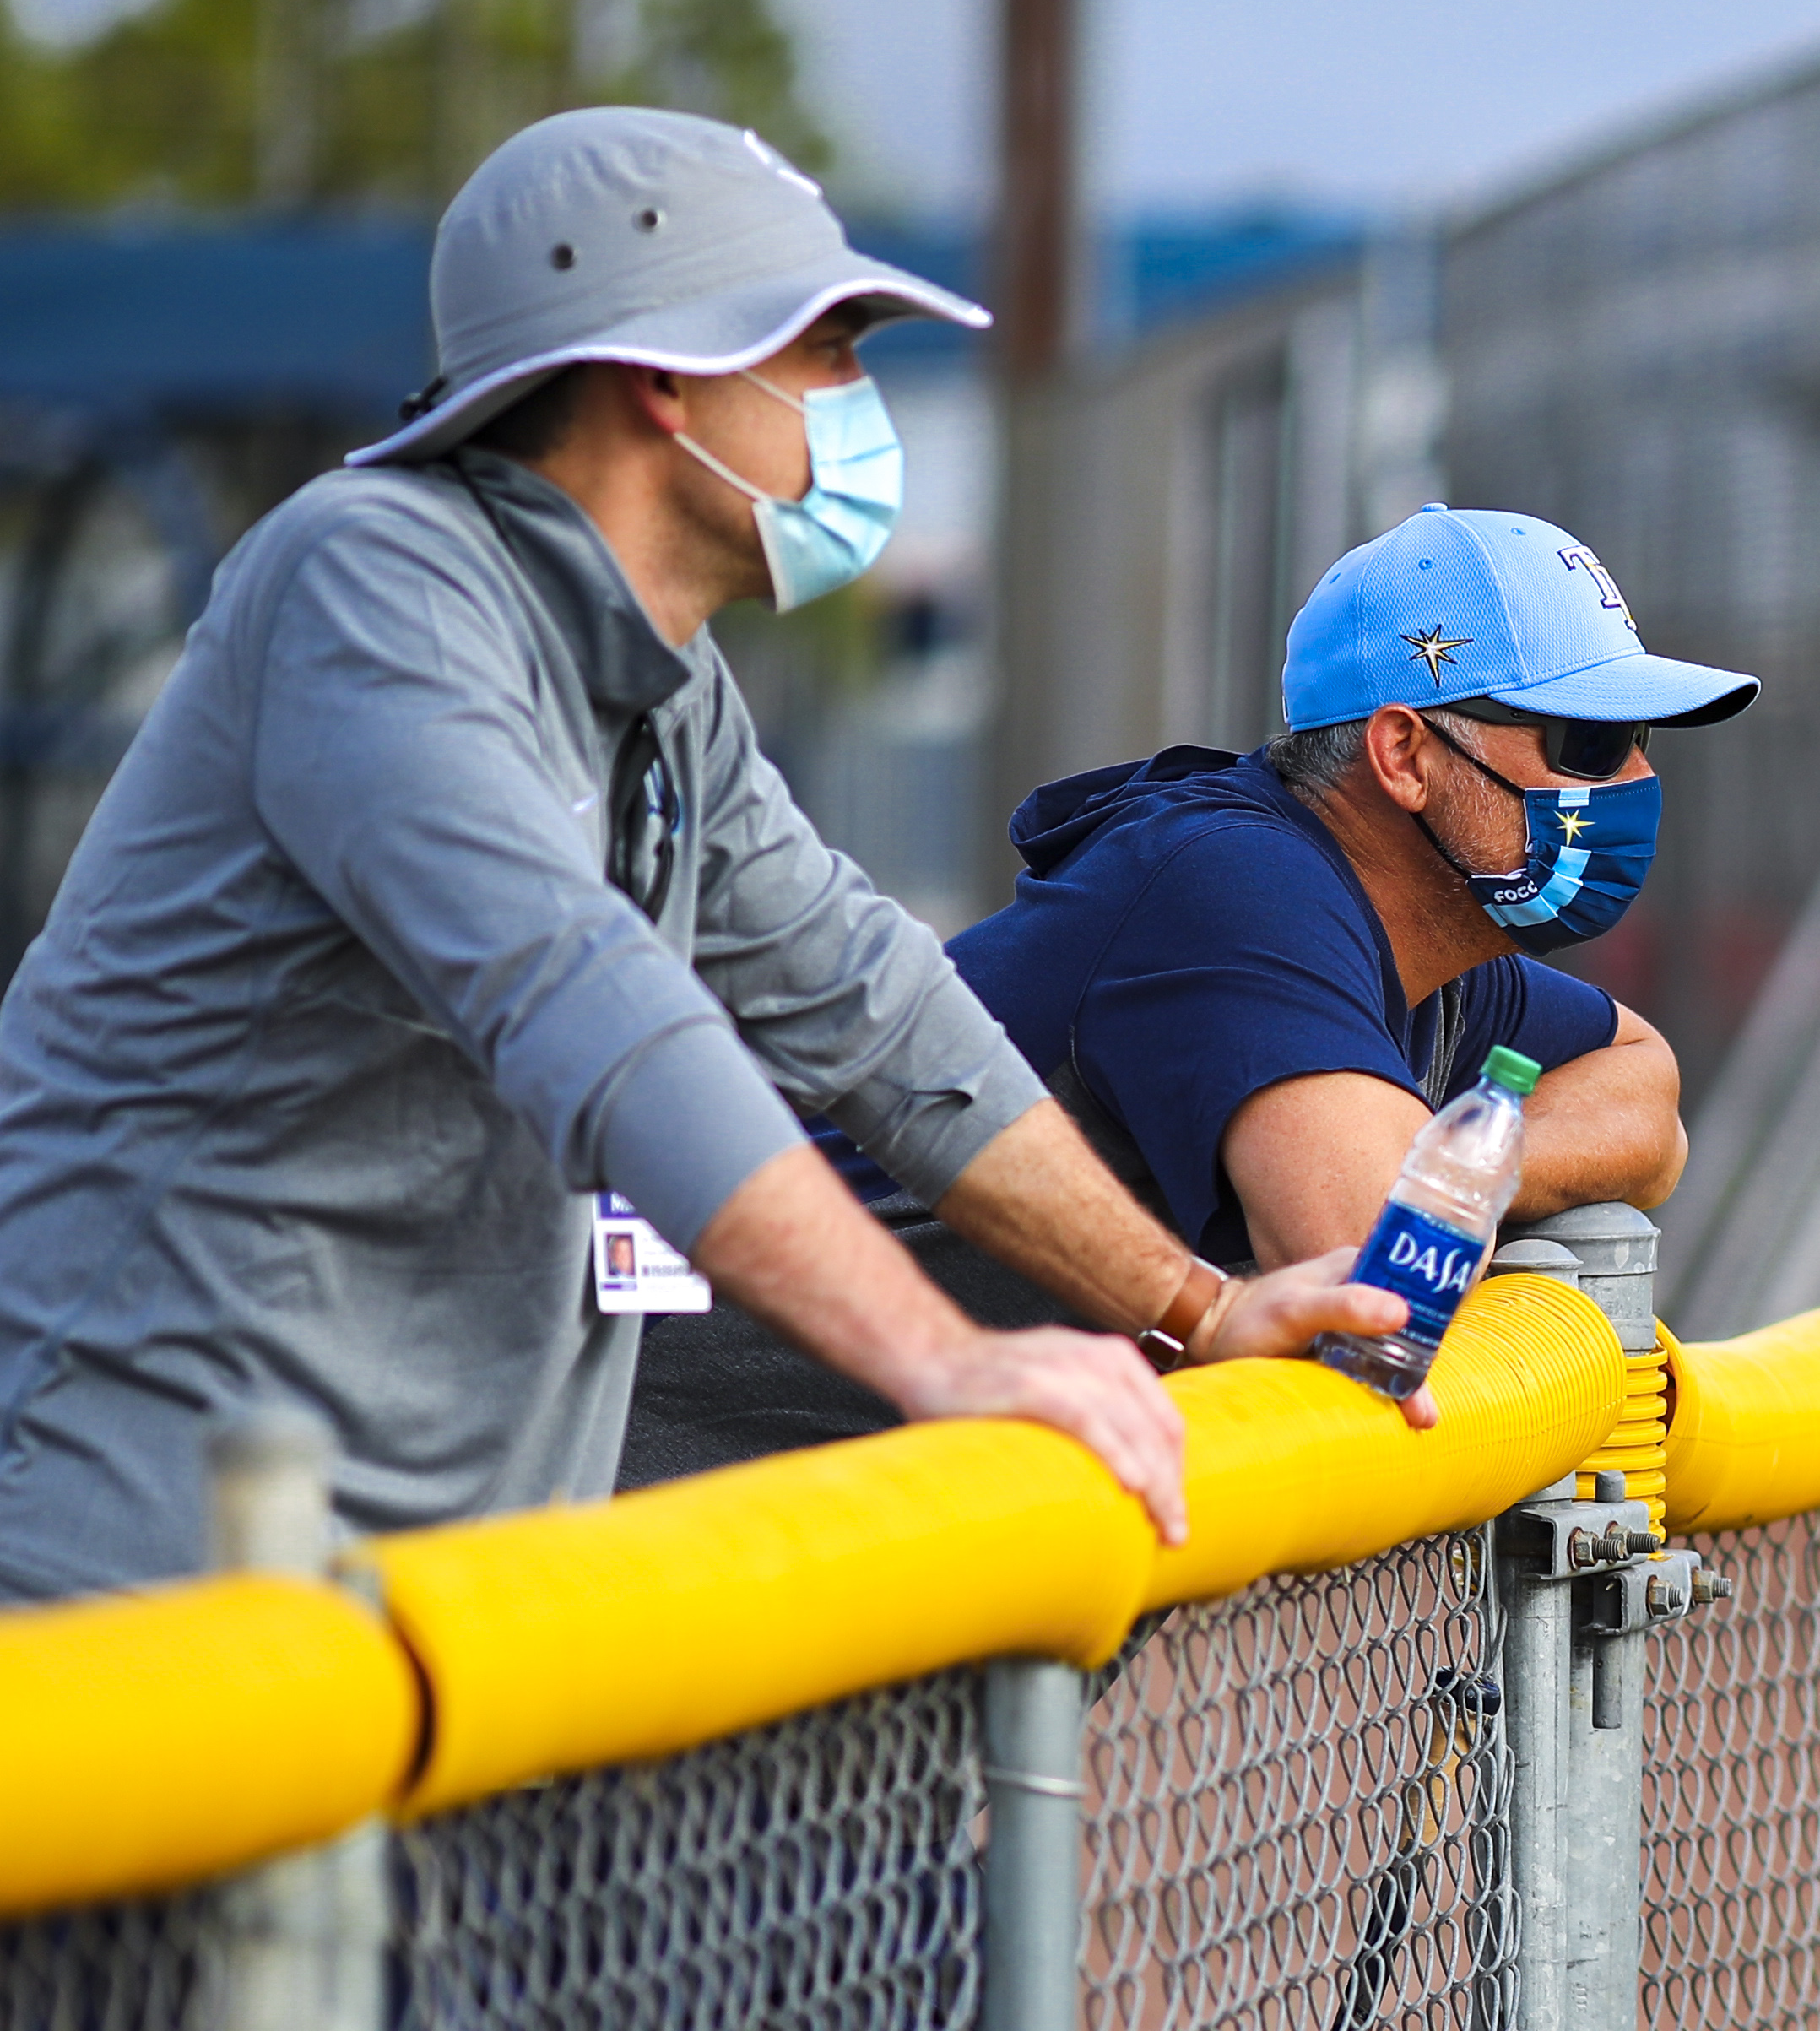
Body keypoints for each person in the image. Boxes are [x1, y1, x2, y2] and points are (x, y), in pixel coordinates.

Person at [0, 105, 1392, 2031]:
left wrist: (1181, 1302)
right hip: (162, 1632)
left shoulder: (649, 682)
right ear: (656, 379)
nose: (854, 400)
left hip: (373, 1684)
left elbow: (873, 1012)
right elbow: (592, 1010)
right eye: (826, 344)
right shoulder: (375, 590)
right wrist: (943, 1353)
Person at [620, 501, 1733, 1479]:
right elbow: (1378, 1271)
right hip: (673, 1510)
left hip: (881, 1524)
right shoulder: (1240, 885)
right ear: (1404, 754)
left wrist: (1478, 1157)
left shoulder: (1432, 945)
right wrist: (1442, 1171)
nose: (1637, 783)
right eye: (1590, 742)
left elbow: (1648, 1095)